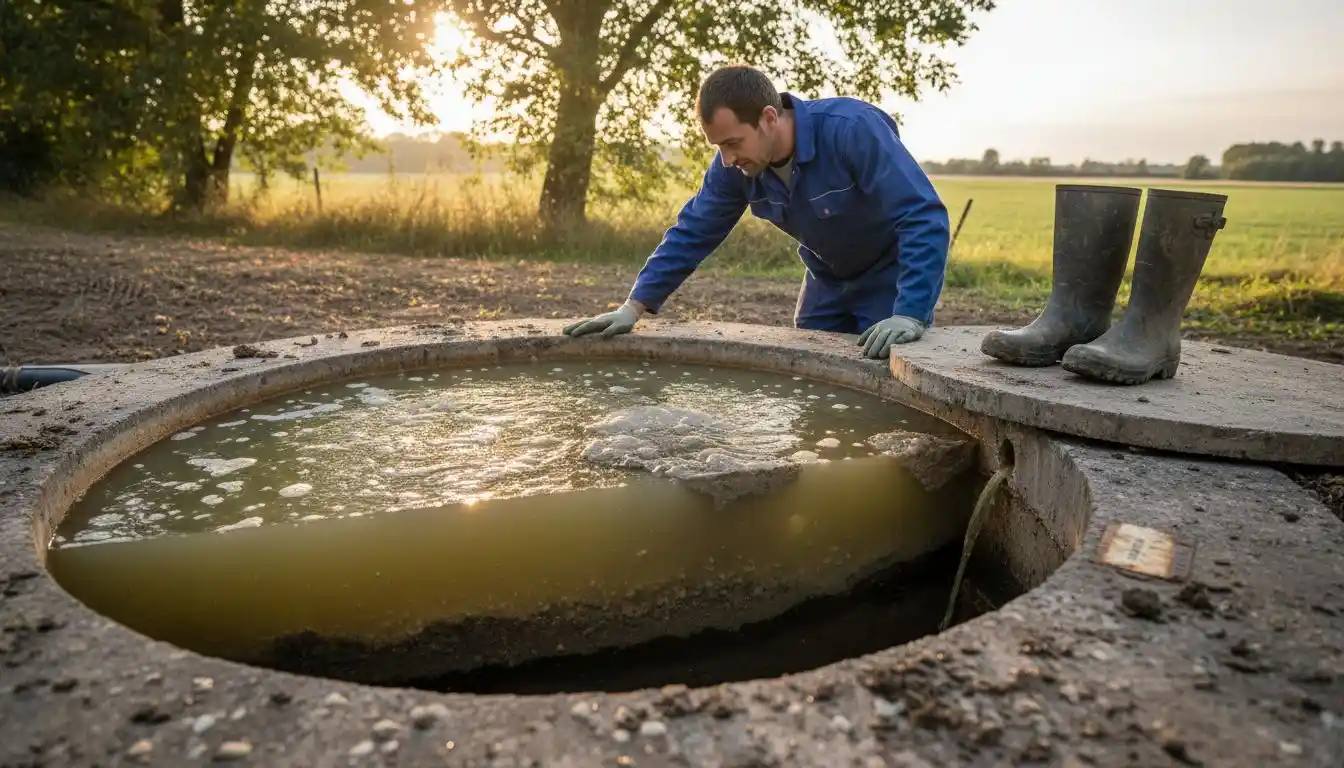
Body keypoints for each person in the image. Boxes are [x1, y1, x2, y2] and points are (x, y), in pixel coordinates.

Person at [562, 64, 951, 359]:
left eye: (733, 143)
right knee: (815, 383)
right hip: (826, 280)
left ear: (768, 117)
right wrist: (634, 306)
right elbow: (693, 231)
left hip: (889, 278)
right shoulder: (734, 167)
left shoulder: (852, 130)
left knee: (883, 380)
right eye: (719, 147)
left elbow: (923, 216)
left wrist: (911, 313)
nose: (727, 159)